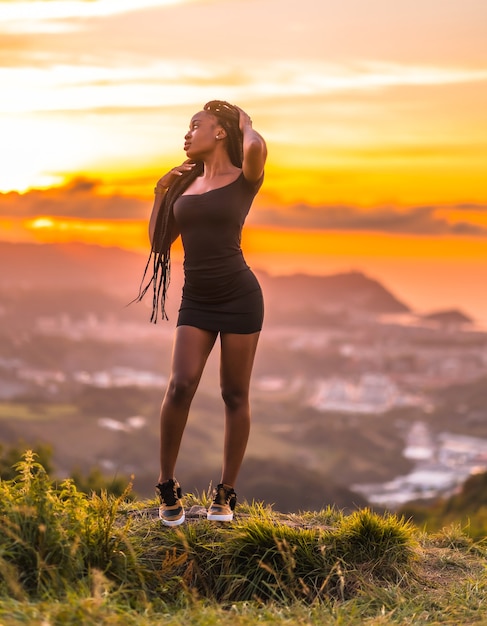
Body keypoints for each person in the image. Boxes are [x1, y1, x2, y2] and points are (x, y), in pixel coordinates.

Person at [136, 100, 267, 525]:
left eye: (197, 126)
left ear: (221, 133)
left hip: (240, 295)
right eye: (187, 128)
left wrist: (246, 124)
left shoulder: (243, 178)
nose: (187, 134)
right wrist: (160, 190)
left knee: (234, 393)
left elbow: (256, 149)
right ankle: (166, 484)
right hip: (197, 299)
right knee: (180, 385)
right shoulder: (183, 187)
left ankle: (225, 495)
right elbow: (158, 242)